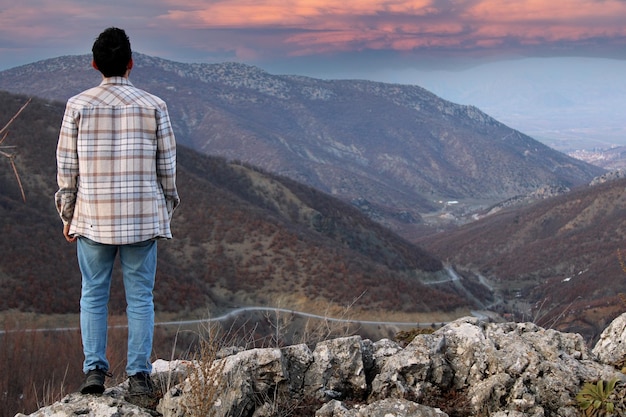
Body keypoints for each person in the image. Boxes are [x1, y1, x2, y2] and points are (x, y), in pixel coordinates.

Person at [55, 27, 180, 396]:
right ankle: (139, 375)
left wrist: (67, 213)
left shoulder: (77, 106)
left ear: (94, 64)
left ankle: (94, 370)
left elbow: (66, 168)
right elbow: (167, 168)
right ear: (130, 63)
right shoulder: (154, 105)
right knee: (140, 297)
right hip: (141, 218)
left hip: (93, 218)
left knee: (93, 293)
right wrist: (165, 209)